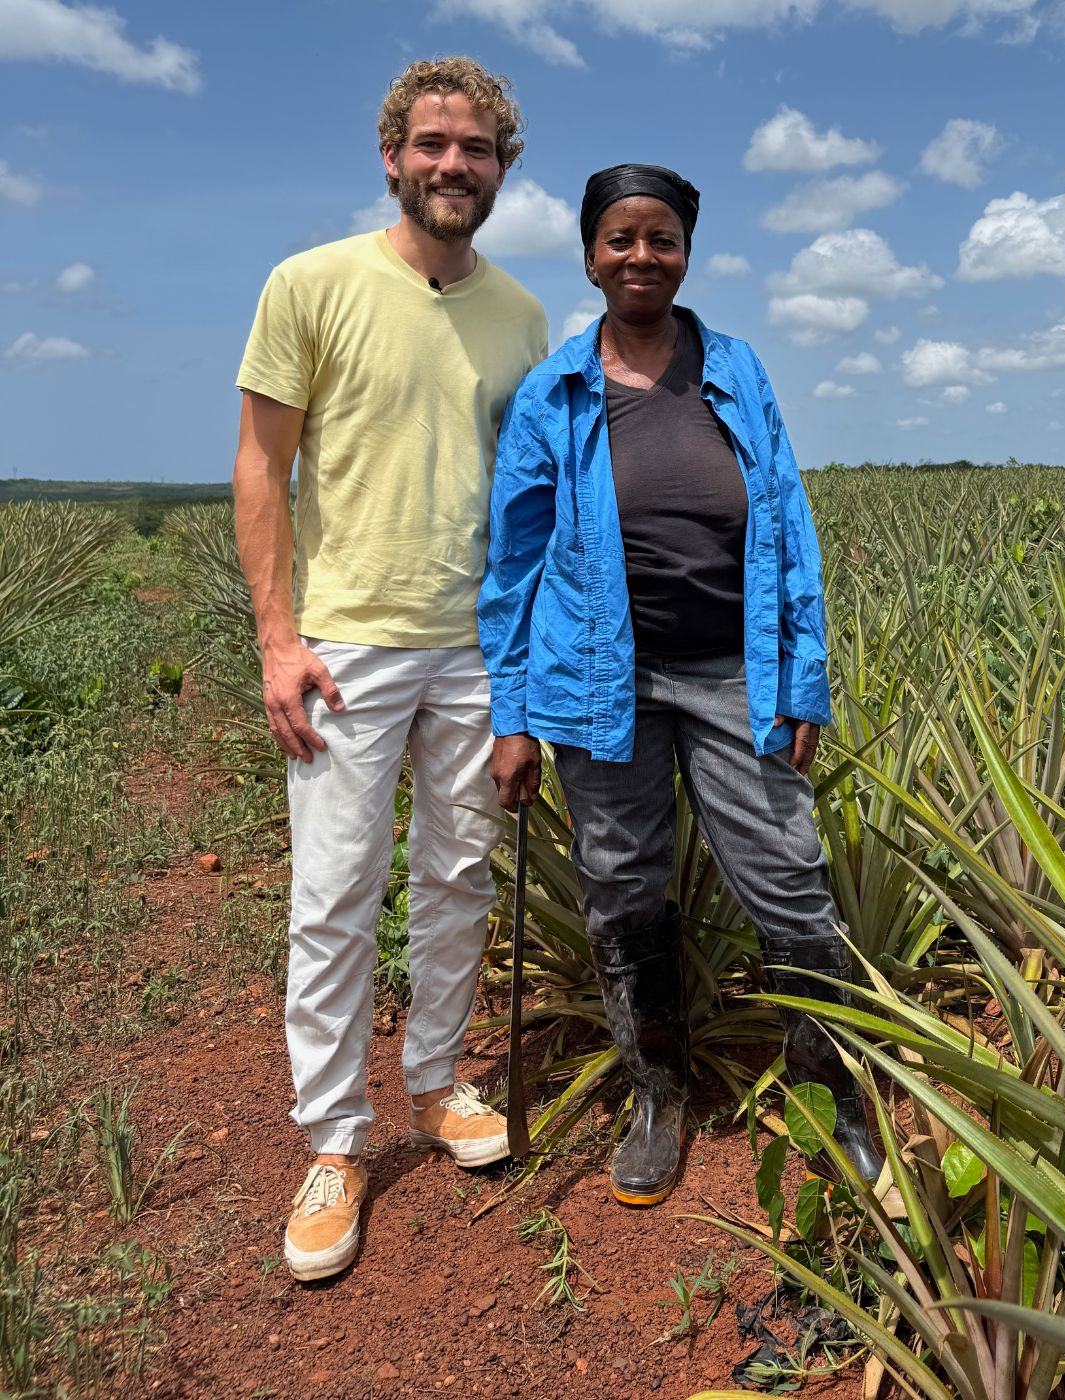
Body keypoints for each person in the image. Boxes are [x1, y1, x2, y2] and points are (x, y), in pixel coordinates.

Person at [480, 164, 881, 1208]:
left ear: (685, 252)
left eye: (660, 238)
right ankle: (656, 1087)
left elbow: (786, 522)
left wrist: (802, 681)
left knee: (787, 873)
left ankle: (826, 1082)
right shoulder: (556, 390)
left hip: (730, 668)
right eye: (620, 239)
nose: (640, 256)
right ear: (589, 255)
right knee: (620, 879)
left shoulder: (735, 368)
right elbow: (514, 560)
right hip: (595, 676)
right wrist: (512, 714)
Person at [232, 57, 548, 1281]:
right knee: (335, 891)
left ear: (501, 167)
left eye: (474, 149)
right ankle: (332, 1137)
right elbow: (262, 465)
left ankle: (432, 1080)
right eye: (431, 144)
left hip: (473, 640)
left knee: (457, 873)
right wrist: (276, 636)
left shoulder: (521, 315)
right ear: (391, 155)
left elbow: (523, 503)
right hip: (347, 640)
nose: (451, 165)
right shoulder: (310, 283)